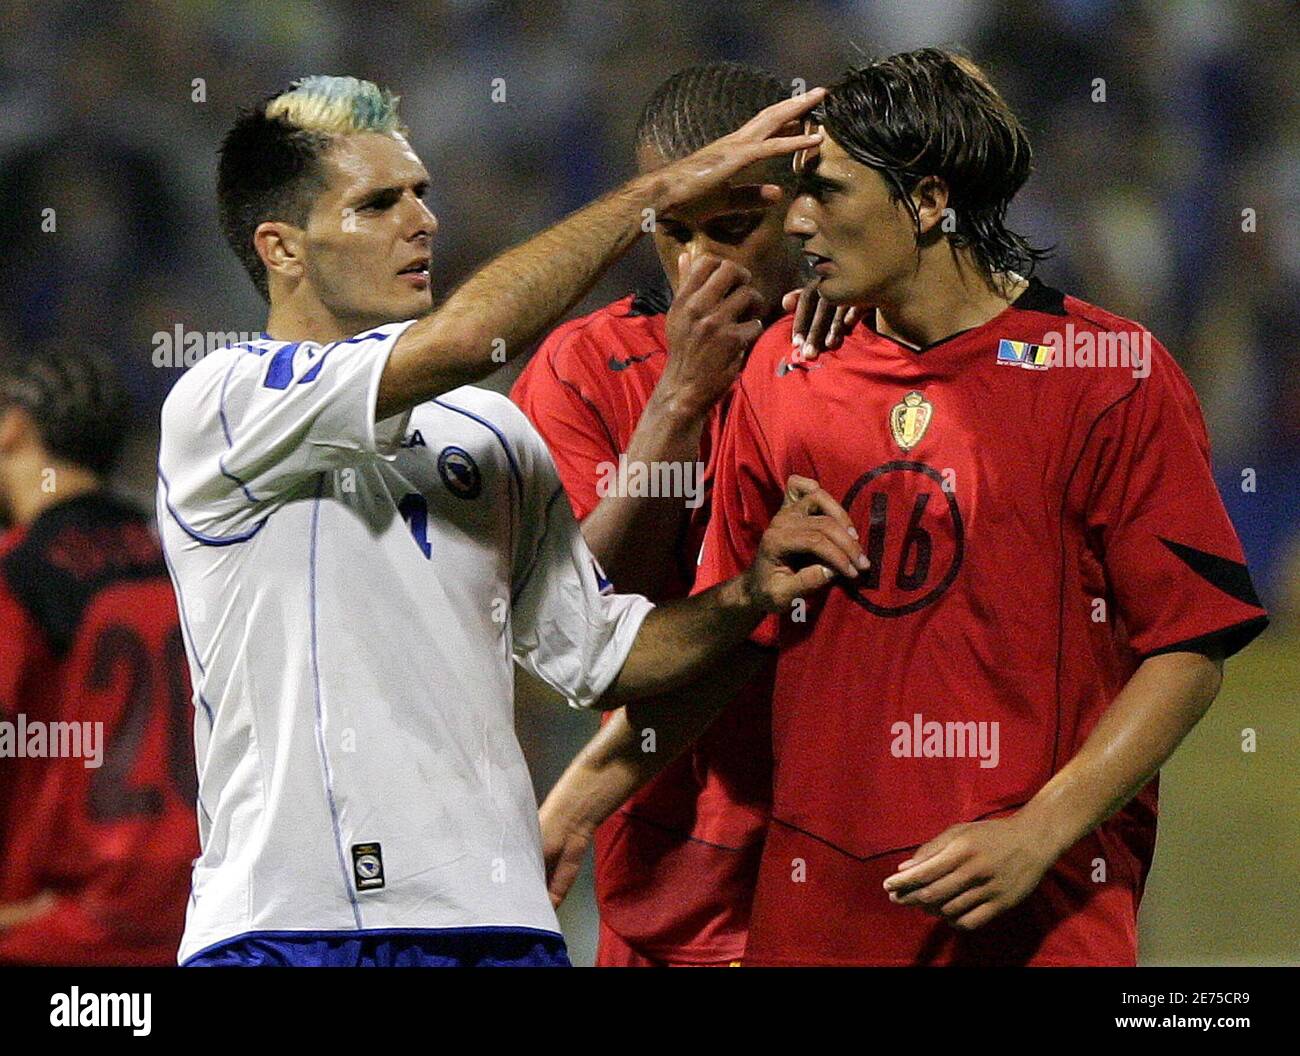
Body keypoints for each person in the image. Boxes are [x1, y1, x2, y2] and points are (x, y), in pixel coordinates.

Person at [539, 48, 1269, 966]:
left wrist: (1040, 831)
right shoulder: (783, 370)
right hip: (819, 904)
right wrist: (585, 790)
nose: (797, 221)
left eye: (827, 193)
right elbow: (719, 642)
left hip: (1028, 898)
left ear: (927, 202)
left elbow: (1188, 645)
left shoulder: (1108, 372)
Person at [160, 74, 858, 967]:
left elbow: (604, 658)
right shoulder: (222, 404)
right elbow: (459, 339)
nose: (423, 220)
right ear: (281, 248)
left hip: (499, 923)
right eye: (380, 203)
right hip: (292, 920)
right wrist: (659, 189)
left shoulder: (487, 426)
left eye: (421, 193)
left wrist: (751, 590)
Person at [514, 61, 833, 968]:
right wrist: (678, 402)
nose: (700, 264)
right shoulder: (585, 366)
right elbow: (575, 631)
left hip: (865, 853)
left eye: (735, 228)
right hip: (674, 881)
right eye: (674, 230)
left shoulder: (869, 349)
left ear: (804, 206)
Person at [0, 348, 198, 965]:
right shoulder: (178, 559)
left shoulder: (17, 569)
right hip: (196, 908)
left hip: (59, 919)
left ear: (16, 428)